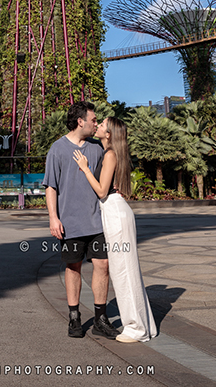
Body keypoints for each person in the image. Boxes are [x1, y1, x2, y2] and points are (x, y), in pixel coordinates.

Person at [73, 117, 157, 343]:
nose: (98, 126)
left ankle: (136, 329)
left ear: (109, 134)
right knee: (126, 270)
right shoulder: (110, 153)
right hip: (115, 211)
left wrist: (85, 169)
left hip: (114, 212)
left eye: (102, 125)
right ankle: (143, 325)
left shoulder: (110, 154)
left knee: (123, 272)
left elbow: (102, 191)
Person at [43, 101, 119, 339]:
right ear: (80, 121)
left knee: (102, 265)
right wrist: (53, 218)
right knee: (73, 267)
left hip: (97, 221)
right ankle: (74, 317)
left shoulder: (97, 148)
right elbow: (51, 187)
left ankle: (100, 319)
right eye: (93, 120)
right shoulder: (57, 149)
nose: (96, 124)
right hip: (70, 223)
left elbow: (106, 178)